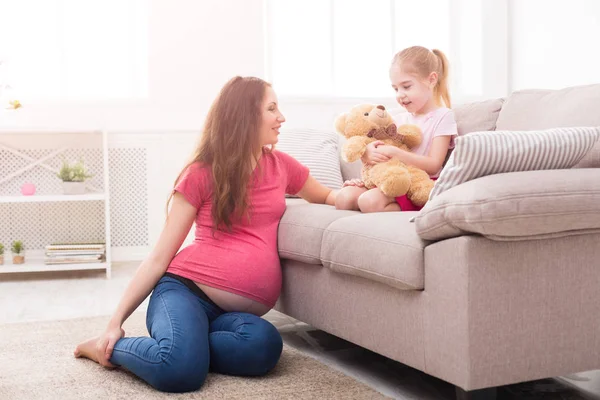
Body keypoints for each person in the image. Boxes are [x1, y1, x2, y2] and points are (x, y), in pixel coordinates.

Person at [74, 76, 337, 393]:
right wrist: (114, 322)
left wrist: (365, 194)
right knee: (180, 374)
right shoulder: (201, 173)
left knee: (265, 346)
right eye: (272, 108)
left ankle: (188, 346)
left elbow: (328, 197)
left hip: (231, 317)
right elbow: (159, 258)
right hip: (183, 293)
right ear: (244, 116)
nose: (281, 117)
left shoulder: (281, 165)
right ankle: (107, 348)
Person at [335, 46, 458, 213]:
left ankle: (415, 209)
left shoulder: (443, 116)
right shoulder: (397, 119)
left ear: (431, 80)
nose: (400, 94)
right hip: (391, 177)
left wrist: (396, 153)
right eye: (395, 88)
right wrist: (367, 153)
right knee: (344, 197)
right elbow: (378, 146)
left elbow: (434, 165)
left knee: (369, 202)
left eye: (406, 87)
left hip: (419, 182)